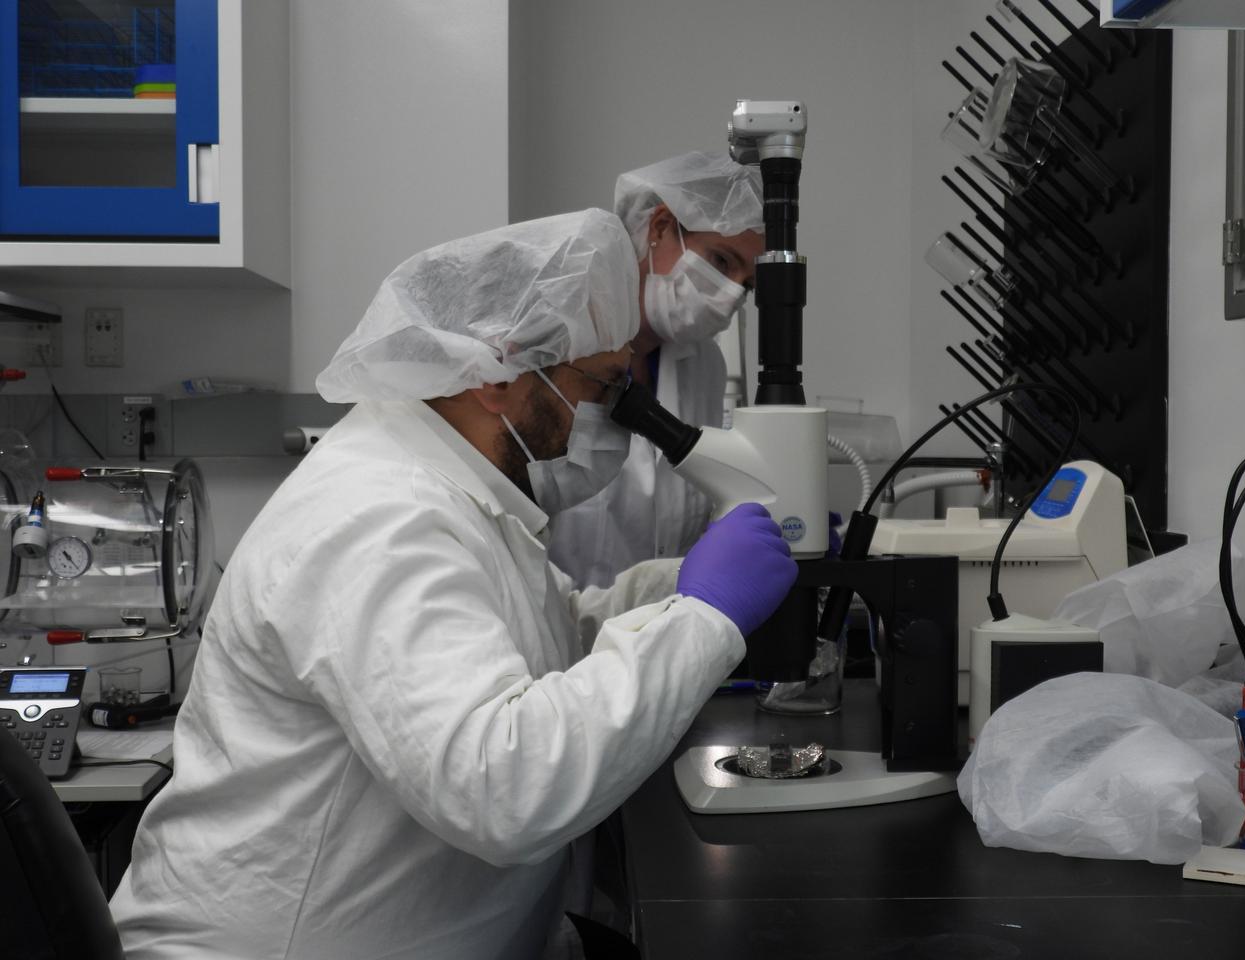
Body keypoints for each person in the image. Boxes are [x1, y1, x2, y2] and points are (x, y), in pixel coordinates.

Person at [109, 209, 797, 960]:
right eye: (600, 387)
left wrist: (680, 587)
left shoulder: (453, 492)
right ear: (498, 375)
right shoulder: (378, 518)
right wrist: (701, 617)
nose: (609, 419)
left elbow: (549, 644)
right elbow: (504, 785)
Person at [548, 151, 766, 588]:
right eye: (722, 262)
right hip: (557, 640)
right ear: (660, 227)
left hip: (663, 636)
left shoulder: (704, 364)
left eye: (746, 283)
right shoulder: (558, 343)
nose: (730, 296)